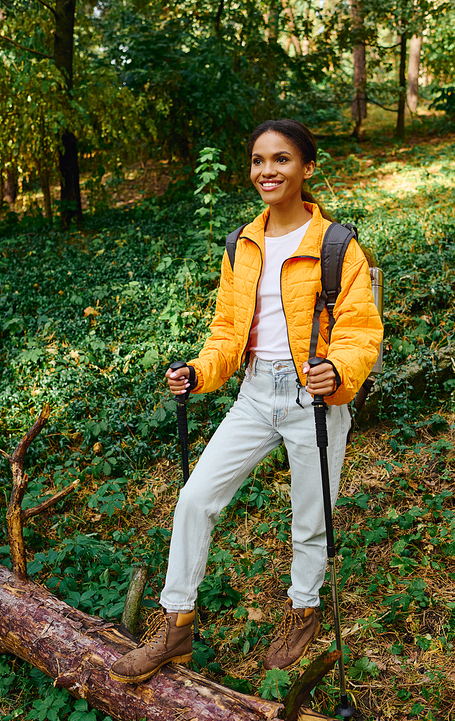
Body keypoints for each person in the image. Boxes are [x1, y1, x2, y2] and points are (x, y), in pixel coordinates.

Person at [109, 119, 383, 684]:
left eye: (281, 160)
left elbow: (361, 331)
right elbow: (228, 332)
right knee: (195, 498)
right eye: (259, 161)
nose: (267, 171)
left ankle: (304, 608)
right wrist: (199, 371)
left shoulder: (337, 244)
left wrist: (339, 370)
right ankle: (177, 620)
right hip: (255, 394)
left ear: (307, 168)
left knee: (309, 520)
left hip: (314, 399)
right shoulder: (243, 242)